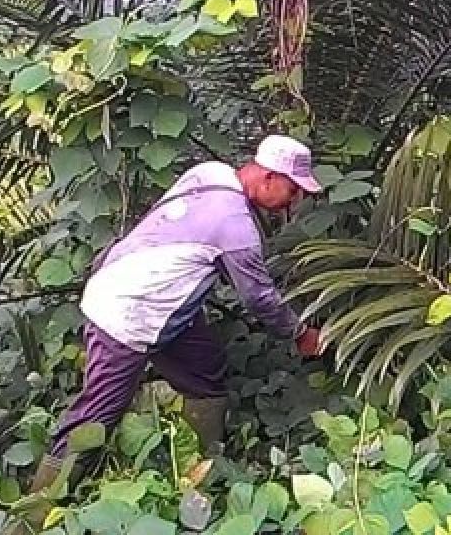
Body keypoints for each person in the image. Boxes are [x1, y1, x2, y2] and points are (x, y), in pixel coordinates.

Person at [18, 134, 324, 510]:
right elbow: (258, 297)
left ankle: (198, 474)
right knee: (97, 416)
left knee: (206, 370)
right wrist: (300, 333)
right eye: (292, 192)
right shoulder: (236, 227)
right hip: (129, 314)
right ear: (269, 178)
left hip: (154, 301)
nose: (292, 204)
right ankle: (35, 511)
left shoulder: (209, 173)